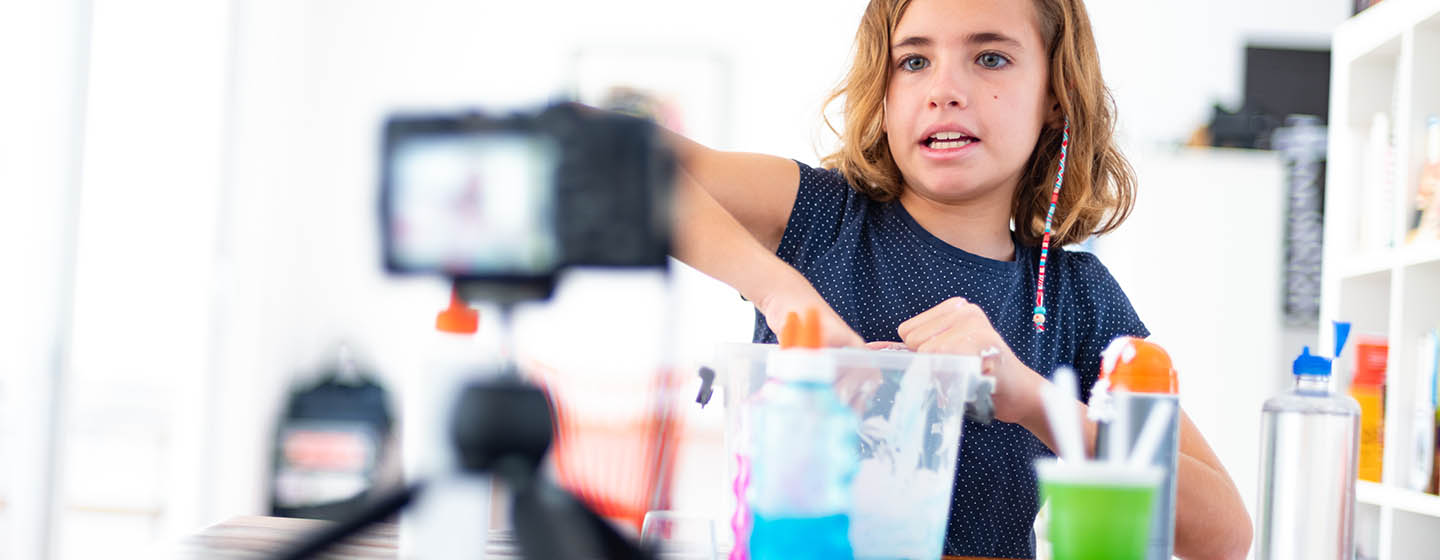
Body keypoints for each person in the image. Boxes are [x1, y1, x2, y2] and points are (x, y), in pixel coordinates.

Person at [665, 0, 1251, 558]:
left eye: (990, 57)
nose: (944, 91)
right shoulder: (818, 218)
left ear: (1055, 93)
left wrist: (1033, 399)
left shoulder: (1076, 297)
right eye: (914, 61)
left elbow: (1224, 537)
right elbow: (608, 154)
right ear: (886, 91)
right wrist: (782, 293)